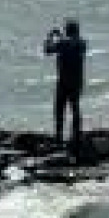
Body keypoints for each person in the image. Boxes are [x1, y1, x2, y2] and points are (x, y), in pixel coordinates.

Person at [43, 19, 87, 147]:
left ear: (67, 30)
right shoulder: (82, 44)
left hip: (63, 81)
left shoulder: (62, 43)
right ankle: (76, 135)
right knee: (75, 108)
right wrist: (61, 36)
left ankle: (59, 136)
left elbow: (47, 50)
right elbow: (71, 43)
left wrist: (50, 36)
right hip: (77, 81)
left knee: (59, 109)